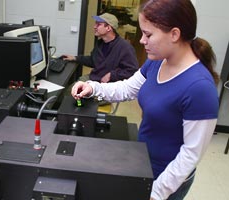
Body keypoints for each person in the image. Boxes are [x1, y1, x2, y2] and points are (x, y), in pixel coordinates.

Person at [71, 0, 219, 200]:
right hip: (143, 162)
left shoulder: (200, 88)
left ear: (174, 34)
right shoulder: (156, 62)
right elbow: (128, 88)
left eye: (148, 34)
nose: (142, 40)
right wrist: (93, 87)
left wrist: (157, 192)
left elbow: (191, 154)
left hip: (168, 179)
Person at [63, 12, 139, 83]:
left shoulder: (124, 47)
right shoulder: (100, 43)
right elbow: (93, 61)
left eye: (98, 24)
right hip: (96, 78)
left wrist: (111, 75)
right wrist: (75, 58)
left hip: (110, 85)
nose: (94, 27)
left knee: (74, 91)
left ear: (108, 28)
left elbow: (132, 70)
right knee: (72, 90)